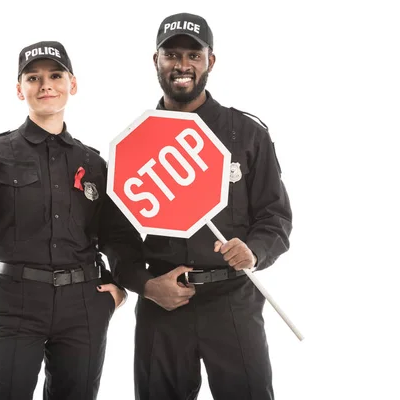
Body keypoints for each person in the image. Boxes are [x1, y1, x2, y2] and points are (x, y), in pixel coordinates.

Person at [0, 40, 144, 400]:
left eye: (55, 75)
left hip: (84, 306)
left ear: (72, 84)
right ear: (20, 89)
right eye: (33, 77)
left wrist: (120, 291)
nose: (46, 85)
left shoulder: (95, 164)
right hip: (17, 303)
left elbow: (118, 238)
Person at [112, 13, 293, 400]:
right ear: (156, 60)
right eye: (172, 55)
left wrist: (254, 251)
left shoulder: (247, 134)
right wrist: (145, 285)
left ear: (211, 61)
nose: (182, 65)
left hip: (233, 300)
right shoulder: (135, 143)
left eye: (194, 56)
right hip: (163, 303)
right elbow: (116, 237)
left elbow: (275, 218)